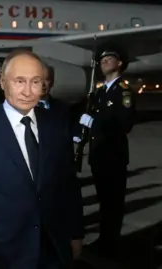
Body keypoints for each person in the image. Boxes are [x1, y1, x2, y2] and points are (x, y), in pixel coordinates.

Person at [0, 50, 84, 269]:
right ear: (3, 82)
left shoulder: (56, 125)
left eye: (35, 82)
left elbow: (68, 185)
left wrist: (75, 233)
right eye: (19, 81)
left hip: (53, 249)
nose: (27, 91)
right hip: (3, 252)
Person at [75, 48, 135, 255]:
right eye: (102, 59)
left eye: (109, 59)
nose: (104, 62)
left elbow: (125, 124)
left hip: (113, 156)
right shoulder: (100, 91)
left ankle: (111, 244)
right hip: (98, 155)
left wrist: (95, 123)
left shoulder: (123, 91)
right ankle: (105, 239)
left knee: (113, 203)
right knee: (104, 202)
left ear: (120, 64)